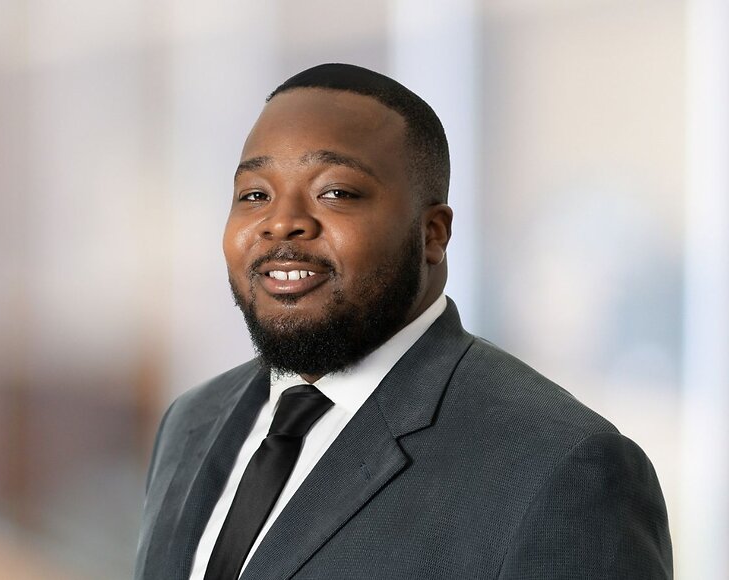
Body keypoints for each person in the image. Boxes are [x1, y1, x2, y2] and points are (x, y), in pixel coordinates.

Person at [134, 63, 673, 580]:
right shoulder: (192, 421)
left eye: (336, 193)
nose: (282, 223)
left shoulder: (563, 467)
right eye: (255, 195)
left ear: (432, 234)